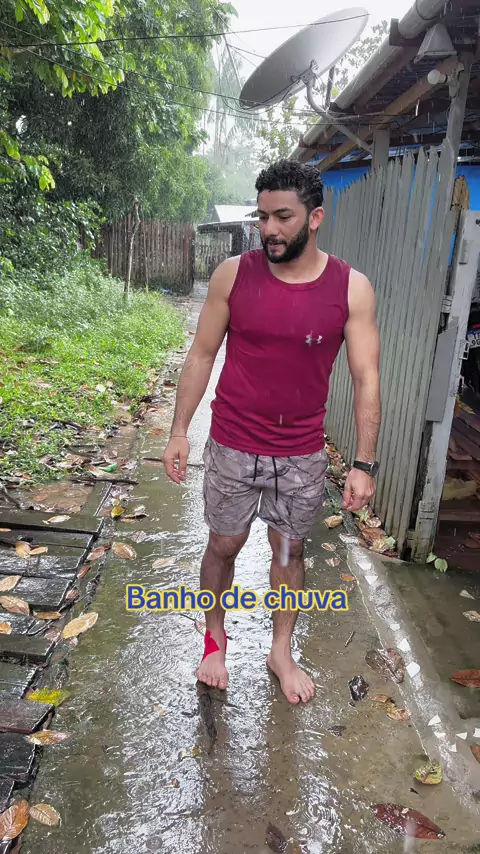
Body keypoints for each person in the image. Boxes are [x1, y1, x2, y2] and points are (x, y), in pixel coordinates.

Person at [162, 159, 381, 705]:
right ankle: (214, 641)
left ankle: (280, 651)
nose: (270, 230)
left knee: (288, 552)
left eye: (283, 217)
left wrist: (363, 462)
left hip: (301, 451)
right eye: (263, 217)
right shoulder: (233, 275)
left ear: (315, 218)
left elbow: (366, 377)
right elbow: (202, 354)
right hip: (233, 441)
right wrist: (179, 430)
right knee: (223, 543)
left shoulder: (351, 289)